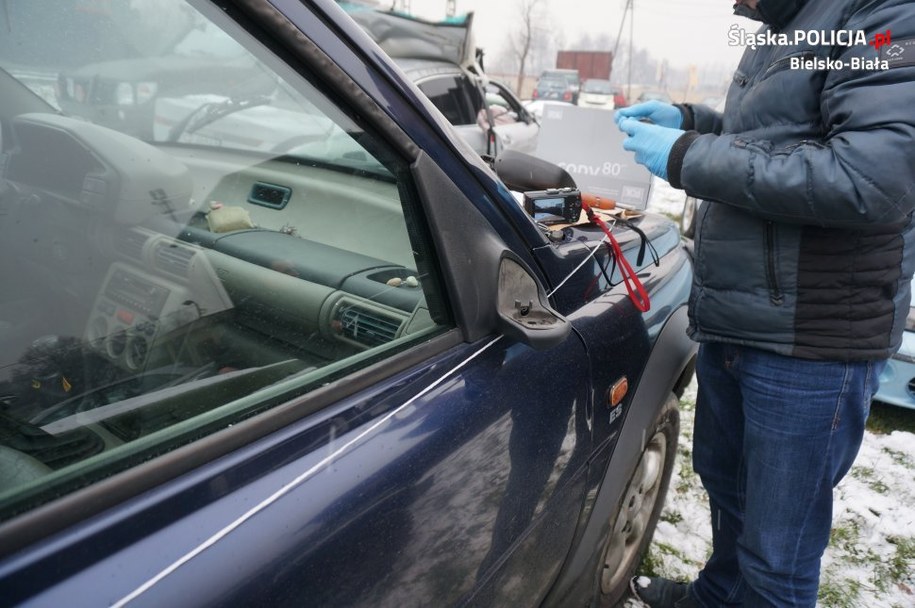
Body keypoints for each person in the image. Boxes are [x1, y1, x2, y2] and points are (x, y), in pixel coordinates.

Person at [614, 0, 915, 606]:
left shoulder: (883, 16)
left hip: (811, 337)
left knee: (778, 556)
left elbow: (869, 178)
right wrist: (690, 118)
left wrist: (686, 155)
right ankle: (717, 595)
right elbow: (779, 136)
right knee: (728, 492)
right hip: (742, 314)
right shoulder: (789, 23)